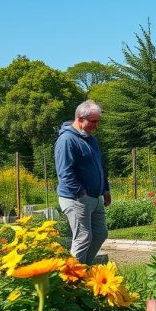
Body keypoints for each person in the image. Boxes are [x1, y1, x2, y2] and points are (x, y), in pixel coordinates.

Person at [54, 100, 111, 265]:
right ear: (80, 119)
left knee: (100, 234)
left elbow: (100, 166)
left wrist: (105, 189)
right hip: (76, 198)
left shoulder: (91, 139)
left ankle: (83, 269)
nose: (97, 125)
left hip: (96, 197)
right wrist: (81, 193)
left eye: (98, 121)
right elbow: (64, 172)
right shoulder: (66, 140)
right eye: (93, 121)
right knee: (83, 237)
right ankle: (73, 280)